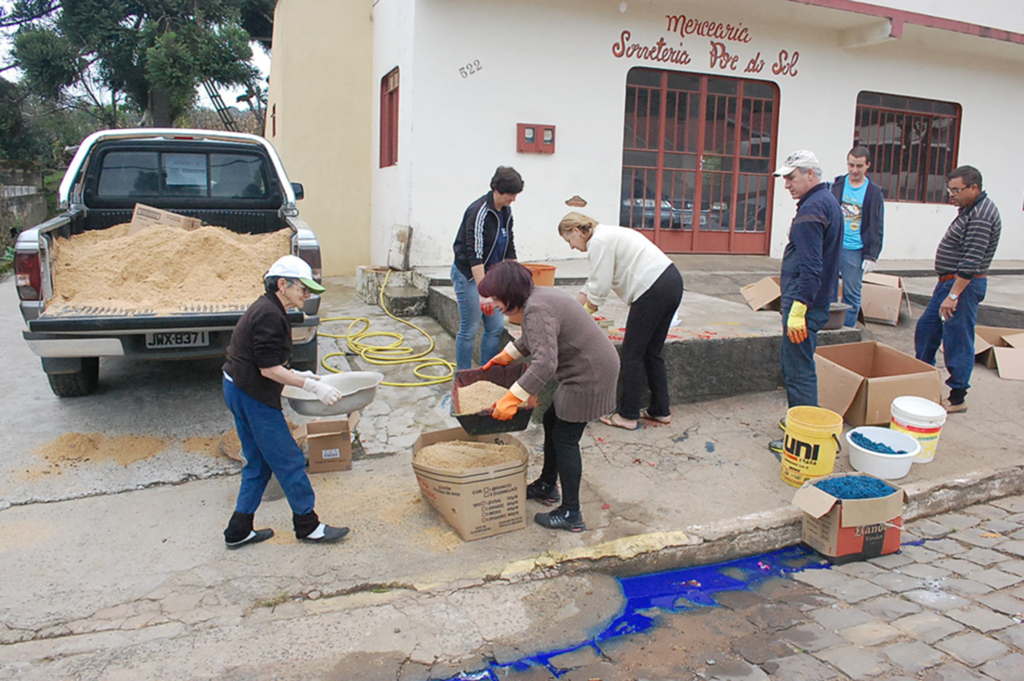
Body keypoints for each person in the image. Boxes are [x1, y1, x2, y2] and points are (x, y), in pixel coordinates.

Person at [479, 260, 619, 532]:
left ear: (509, 292)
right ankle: (546, 486)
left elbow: (544, 364)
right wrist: (507, 355)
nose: (494, 304)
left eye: (496, 298)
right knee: (553, 421)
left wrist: (511, 398)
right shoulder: (538, 296)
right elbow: (536, 338)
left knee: (565, 439)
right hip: (591, 367)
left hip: (589, 375)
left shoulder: (537, 309)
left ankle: (571, 513)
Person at [221, 255, 351, 549]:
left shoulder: (266, 307)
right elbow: (267, 369)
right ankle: (308, 526)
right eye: (302, 288)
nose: (306, 294)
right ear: (282, 284)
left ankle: (238, 529)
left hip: (235, 386)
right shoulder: (269, 314)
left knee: (257, 462)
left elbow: (265, 360)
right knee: (290, 460)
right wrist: (310, 387)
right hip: (252, 393)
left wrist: (295, 373)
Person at [557, 212, 684, 431]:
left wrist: (576, 321)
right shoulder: (606, 234)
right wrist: (571, 310)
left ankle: (628, 415)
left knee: (631, 355)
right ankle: (660, 410)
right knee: (653, 352)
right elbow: (594, 282)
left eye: (569, 240)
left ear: (577, 231)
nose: (571, 247)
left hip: (651, 289)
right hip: (671, 282)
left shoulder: (598, 241)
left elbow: (599, 290)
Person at [768, 151, 843, 455]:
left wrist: (798, 309)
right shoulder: (826, 202)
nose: (787, 184)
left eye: (792, 176)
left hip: (805, 305)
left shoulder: (812, 211)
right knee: (802, 364)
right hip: (815, 301)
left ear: (811, 174)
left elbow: (812, 267)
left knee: (797, 369)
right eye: (785, 178)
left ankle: (804, 437)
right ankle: (801, 422)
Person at [914, 166, 1001, 414]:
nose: (952, 195)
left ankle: (957, 395)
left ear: (974, 188)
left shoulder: (981, 215)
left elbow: (972, 260)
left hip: (962, 286)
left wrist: (954, 295)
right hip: (949, 283)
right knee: (927, 329)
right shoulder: (970, 210)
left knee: (957, 339)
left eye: (957, 190)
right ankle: (923, 381)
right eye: (950, 189)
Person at [451, 166, 524, 371]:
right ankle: (463, 375)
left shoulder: (507, 213)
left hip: (491, 277)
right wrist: (484, 292)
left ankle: (485, 372)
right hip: (470, 276)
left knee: (495, 327)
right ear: (497, 190)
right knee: (471, 327)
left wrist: (518, 279)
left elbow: (509, 246)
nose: (513, 199)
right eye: (511, 194)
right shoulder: (479, 212)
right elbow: (475, 255)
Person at [831, 145, 885, 327]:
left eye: (859, 166)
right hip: (833, 245)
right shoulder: (837, 184)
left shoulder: (873, 191)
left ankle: (847, 330)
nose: (854, 170)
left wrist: (872, 255)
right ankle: (827, 326)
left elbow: (877, 223)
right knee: (827, 289)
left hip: (854, 249)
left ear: (867, 165)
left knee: (851, 293)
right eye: (851, 165)